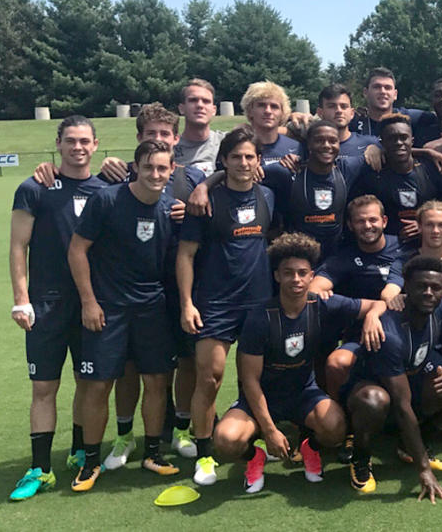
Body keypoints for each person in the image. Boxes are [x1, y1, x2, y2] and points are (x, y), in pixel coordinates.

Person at [215, 233, 383, 493]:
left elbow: (378, 305)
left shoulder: (322, 304)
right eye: (288, 272)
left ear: (311, 276)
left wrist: (372, 317)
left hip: (303, 394)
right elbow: (250, 380)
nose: (296, 279)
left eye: (302, 273)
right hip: (261, 397)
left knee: (336, 429)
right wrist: (270, 431)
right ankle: (254, 457)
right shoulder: (260, 317)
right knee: (226, 441)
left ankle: (310, 448)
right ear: (277, 276)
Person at [66, 140, 181, 491]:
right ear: (136, 166)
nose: (156, 174)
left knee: (158, 382)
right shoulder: (107, 199)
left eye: (162, 168)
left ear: (172, 170)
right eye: (149, 167)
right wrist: (89, 301)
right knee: (99, 384)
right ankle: (89, 462)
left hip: (152, 308)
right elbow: (77, 250)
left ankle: (152, 453)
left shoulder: (170, 208)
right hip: (108, 308)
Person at [8, 116, 109, 501]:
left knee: (88, 383)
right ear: (59, 143)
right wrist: (22, 299)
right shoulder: (35, 187)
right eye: (70, 140)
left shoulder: (106, 189)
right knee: (44, 386)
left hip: (91, 304)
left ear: (96, 145)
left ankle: (81, 451)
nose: (78, 147)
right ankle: (40, 468)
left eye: (85, 141)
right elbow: (19, 247)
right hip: (46, 304)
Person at [177, 125, 276, 485]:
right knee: (210, 377)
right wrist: (187, 303)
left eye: (250, 156)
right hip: (215, 303)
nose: (243, 162)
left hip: (259, 301)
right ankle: (204, 455)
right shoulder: (204, 202)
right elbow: (185, 255)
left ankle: (259, 435)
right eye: (236, 157)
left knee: (261, 377)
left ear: (258, 160)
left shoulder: (268, 195)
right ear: (224, 160)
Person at [345, 256, 442, 497]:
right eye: (422, 286)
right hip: (376, 395)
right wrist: (424, 471)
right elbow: (401, 405)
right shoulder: (390, 332)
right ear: (406, 287)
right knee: (374, 400)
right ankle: (360, 457)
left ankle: (411, 443)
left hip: (410, 383)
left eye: (436, 288)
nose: (429, 293)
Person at [310, 196, 407, 396]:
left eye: (373, 220)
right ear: (350, 225)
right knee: (336, 364)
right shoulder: (344, 257)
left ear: (384, 221)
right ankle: (338, 417)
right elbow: (312, 290)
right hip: (361, 336)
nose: (367, 226)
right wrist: (364, 310)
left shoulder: (405, 250)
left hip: (404, 332)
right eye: (360, 221)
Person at [262, 119, 374, 258]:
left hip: (334, 258)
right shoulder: (289, 171)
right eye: (319, 140)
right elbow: (245, 174)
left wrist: (375, 149)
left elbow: (385, 153)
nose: (326, 145)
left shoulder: (346, 169)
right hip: (298, 259)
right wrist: (226, 175)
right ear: (308, 144)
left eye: (333, 141)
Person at [353, 113, 442, 254]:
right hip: (388, 249)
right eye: (392, 139)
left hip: (430, 245)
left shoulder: (432, 169)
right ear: (382, 143)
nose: (399, 143)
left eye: (403, 138)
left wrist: (424, 226)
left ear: (412, 140)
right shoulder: (372, 176)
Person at [349, 67, 424, 137]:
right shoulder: (352, 123)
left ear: (395, 94)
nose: (383, 91)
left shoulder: (410, 118)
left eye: (388, 88)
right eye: (377, 87)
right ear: (365, 92)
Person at [241, 80, 300, 165]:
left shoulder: (296, 147)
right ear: (250, 110)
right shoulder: (238, 147)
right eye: (261, 105)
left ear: (283, 113)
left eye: (274, 106)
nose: (268, 111)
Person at [175, 78, 225, 173]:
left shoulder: (228, 142)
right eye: (193, 100)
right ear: (181, 109)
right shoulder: (170, 147)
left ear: (214, 110)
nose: (200, 105)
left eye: (206, 101)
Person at [316, 83, 378, 158]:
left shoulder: (371, 144)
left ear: (352, 113)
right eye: (331, 106)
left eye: (344, 106)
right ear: (320, 112)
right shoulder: (308, 146)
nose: (339, 111)